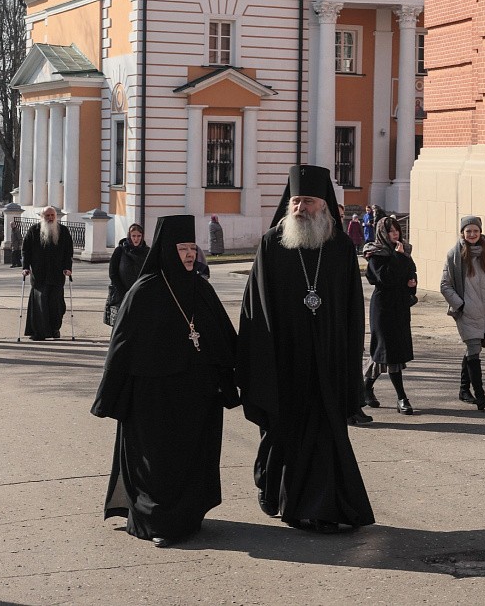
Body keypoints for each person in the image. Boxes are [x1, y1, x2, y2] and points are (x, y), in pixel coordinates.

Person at [237, 164, 375, 534]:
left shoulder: (340, 247)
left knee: (326, 435)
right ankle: (286, 499)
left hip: (328, 359)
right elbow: (256, 307)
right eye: (296, 201)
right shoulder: (272, 244)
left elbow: (351, 308)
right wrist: (259, 360)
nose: (300, 208)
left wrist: (349, 358)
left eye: (308, 202)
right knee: (287, 433)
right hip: (285, 362)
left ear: (324, 206)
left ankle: (325, 507)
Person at [91, 215, 239, 548]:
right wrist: (109, 395)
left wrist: (231, 378)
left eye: (192, 248)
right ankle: (157, 520)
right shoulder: (144, 291)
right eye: (182, 248)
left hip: (197, 395)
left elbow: (223, 339)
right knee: (157, 460)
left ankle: (188, 517)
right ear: (166, 250)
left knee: (193, 457)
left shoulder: (201, 288)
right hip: (154, 396)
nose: (189, 254)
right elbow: (121, 347)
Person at [440, 216, 485, 411]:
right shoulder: (454, 255)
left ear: (480, 232)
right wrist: (460, 305)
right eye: (468, 231)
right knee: (474, 349)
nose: (472, 234)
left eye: (476, 231)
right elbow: (445, 285)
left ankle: (463, 389)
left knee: (474, 349)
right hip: (466, 311)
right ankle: (480, 396)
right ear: (462, 233)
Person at [362, 217, 418, 415]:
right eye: (390, 231)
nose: (395, 234)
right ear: (382, 233)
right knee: (389, 351)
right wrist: (398, 257)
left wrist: (412, 283)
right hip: (383, 308)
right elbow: (385, 277)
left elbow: (411, 273)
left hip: (400, 307)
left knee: (383, 353)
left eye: (397, 230)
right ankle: (402, 398)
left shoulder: (403, 250)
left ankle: (365, 387)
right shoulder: (376, 254)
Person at [22, 206, 73, 341]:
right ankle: (39, 332)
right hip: (39, 274)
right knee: (40, 303)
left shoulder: (63, 231)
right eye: (47, 216)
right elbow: (26, 250)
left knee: (56, 304)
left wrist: (68, 267)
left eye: (52, 215)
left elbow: (68, 252)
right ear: (42, 217)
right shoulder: (34, 230)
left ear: (55, 216)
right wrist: (25, 267)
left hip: (57, 274)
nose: (50, 218)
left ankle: (54, 329)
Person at [108, 223, 150, 301]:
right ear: (129, 236)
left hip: (140, 292)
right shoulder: (120, 250)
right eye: (133, 236)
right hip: (121, 294)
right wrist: (123, 291)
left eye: (139, 236)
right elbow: (113, 273)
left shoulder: (147, 252)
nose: (136, 239)